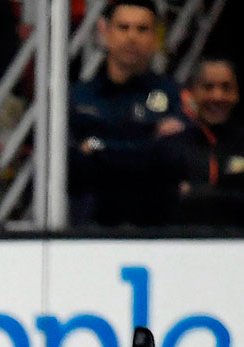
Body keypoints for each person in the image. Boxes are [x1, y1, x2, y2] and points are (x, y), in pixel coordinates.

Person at [68, 0, 187, 227]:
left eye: (142, 29)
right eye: (123, 28)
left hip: (159, 222)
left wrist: (96, 144)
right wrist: (148, 138)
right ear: (105, 31)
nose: (132, 37)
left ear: (155, 37)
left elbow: (174, 159)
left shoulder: (174, 96)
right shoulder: (79, 96)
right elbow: (74, 165)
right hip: (91, 223)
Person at [173, 58, 244, 226]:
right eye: (208, 87)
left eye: (226, 88)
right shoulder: (171, 146)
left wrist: (195, 192)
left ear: (237, 94)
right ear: (190, 93)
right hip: (181, 246)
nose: (217, 96)